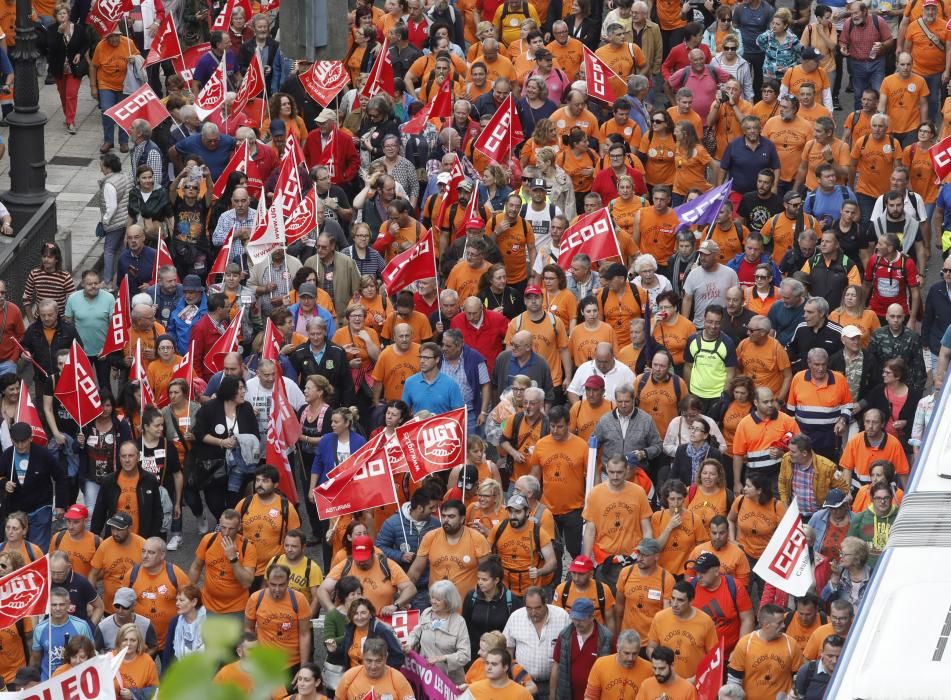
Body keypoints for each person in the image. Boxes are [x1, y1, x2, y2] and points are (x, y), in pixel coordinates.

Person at [582, 453, 653, 588]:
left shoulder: (638, 492)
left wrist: (645, 553)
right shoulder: (595, 494)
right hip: (604, 560)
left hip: (632, 558)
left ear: (627, 470)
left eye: (619, 472)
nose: (615, 476)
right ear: (606, 470)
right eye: (612, 472)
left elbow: (647, 528)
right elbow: (590, 530)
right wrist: (586, 561)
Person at [0, 422, 67, 550]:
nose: (20, 446)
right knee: (15, 549)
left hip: (40, 508)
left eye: (23, 441)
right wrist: (5, 484)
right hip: (16, 510)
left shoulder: (43, 454)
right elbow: (1, 476)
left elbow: (60, 476)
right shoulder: (8, 455)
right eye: (16, 442)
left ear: (31, 438)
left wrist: (60, 505)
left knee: (38, 549)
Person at [409, 499, 491, 601]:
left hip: (467, 606)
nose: (446, 520)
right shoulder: (430, 537)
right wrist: (404, 593)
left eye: (451, 516)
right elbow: (416, 570)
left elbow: (488, 574)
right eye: (443, 516)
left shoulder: (477, 539)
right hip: (437, 604)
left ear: (462, 519)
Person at [319, 534, 417, 615]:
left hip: (381, 623)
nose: (361, 562)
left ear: (373, 552)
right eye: (358, 558)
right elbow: (322, 590)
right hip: (350, 624)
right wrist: (332, 610)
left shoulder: (387, 564)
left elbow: (410, 588)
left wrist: (395, 605)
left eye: (364, 558)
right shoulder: (345, 565)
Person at [502, 586, 569, 700]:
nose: (533, 613)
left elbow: (569, 650)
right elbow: (508, 649)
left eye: (538, 608)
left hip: (553, 683)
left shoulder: (562, 617)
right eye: (529, 608)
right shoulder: (516, 617)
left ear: (546, 603)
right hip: (523, 683)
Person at [727, 604, 804, 700]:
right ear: (766, 624)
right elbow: (734, 679)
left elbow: (800, 677)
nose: (784, 625)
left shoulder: (791, 644)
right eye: (779, 623)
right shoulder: (745, 643)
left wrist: (794, 692)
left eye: (783, 622)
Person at [189, 508, 256, 616]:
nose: (226, 533)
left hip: (236, 608)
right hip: (208, 605)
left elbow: (246, 582)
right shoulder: (208, 540)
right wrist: (189, 591)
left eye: (231, 529)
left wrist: (233, 558)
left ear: (239, 527)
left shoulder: (247, 547)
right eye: (223, 527)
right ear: (220, 522)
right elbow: (196, 566)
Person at [244, 563, 311, 670]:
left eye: (281, 585)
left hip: (293, 664)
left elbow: (305, 634)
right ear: (267, 583)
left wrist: (303, 667)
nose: (277, 589)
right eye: (273, 584)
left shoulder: (299, 600)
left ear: (288, 582)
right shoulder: (255, 599)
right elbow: (249, 629)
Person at [404, 580, 471, 685]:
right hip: (426, 678)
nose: (433, 602)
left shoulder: (459, 622)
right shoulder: (426, 613)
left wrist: (442, 658)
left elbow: (465, 655)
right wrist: (409, 644)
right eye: (432, 597)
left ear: (448, 601)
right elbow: (416, 633)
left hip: (449, 683)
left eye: (438, 599)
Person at [779, 433, 849, 520]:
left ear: (804, 453)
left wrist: (831, 509)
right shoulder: (786, 460)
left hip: (820, 517)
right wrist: (786, 509)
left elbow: (844, 489)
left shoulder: (827, 467)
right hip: (795, 516)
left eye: (793, 452)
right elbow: (782, 483)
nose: (789, 454)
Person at [30, 587, 94, 680]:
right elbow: (35, 660)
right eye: (54, 605)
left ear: (68, 604)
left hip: (76, 680)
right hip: (48, 682)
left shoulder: (81, 626)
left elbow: (92, 654)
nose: (58, 608)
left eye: (62, 604)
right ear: (48, 606)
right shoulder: (40, 629)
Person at [839, 408, 909, 492]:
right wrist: (847, 493)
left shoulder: (894, 444)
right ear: (864, 423)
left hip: (885, 493)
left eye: (875, 422)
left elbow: (903, 473)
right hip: (859, 492)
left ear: (882, 424)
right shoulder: (854, 441)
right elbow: (847, 469)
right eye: (867, 422)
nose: (870, 426)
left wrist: (908, 497)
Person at [335, 638, 415, 700]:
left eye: (378, 661)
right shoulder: (349, 676)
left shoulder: (398, 679)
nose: (373, 666)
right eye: (369, 661)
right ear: (362, 657)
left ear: (386, 658)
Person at [848, 480, 899, 567]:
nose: (882, 502)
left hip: (893, 567)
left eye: (886, 498)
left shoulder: (900, 517)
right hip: (867, 572)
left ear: (891, 498)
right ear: (872, 499)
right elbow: (849, 548)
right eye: (878, 498)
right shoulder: (860, 519)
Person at [48, 550, 103, 626]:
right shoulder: (45, 581)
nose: (55, 577)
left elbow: (99, 607)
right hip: (52, 631)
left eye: (60, 573)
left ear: (69, 567)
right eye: (52, 572)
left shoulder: (81, 582)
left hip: (77, 632)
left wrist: (89, 629)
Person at [467, 647, 534, 699]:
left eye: (494, 664)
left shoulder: (522, 694)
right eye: (487, 663)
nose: (489, 667)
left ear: (505, 667)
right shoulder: (473, 689)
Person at [794, 634, 845, 700]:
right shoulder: (807, 671)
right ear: (822, 653)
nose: (834, 661)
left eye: (838, 656)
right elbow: (797, 696)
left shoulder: (848, 672)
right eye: (830, 656)